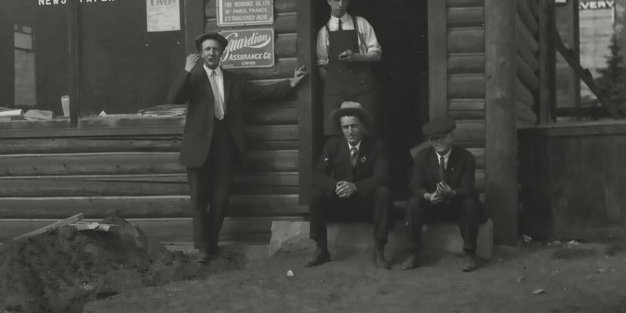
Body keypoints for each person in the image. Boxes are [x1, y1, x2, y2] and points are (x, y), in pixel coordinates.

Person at [169, 32, 307, 263]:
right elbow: (173, 97)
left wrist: (290, 84)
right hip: (198, 148)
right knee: (199, 200)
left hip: (226, 146)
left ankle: (211, 244)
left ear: (222, 52)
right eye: (207, 49)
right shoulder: (193, 79)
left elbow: (261, 93)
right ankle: (204, 248)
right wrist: (185, 69)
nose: (211, 53)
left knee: (221, 199)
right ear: (201, 54)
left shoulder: (234, 80)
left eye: (215, 49)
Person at [306, 101, 392, 269]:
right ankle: (321, 248)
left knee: (384, 193)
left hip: (365, 202)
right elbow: (318, 174)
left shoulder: (376, 145)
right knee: (315, 194)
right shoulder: (333, 145)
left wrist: (356, 187)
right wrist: (335, 185)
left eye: (354, 126)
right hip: (341, 202)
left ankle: (379, 250)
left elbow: (383, 176)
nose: (350, 131)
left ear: (363, 126)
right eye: (345, 127)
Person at [401, 116, 487, 272]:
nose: (437, 142)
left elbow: (467, 188)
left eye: (441, 137)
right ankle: (413, 253)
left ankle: (470, 254)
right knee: (412, 204)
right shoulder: (422, 157)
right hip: (432, 206)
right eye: (433, 139)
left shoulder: (466, 157)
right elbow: (415, 185)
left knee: (469, 203)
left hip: (456, 205)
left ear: (452, 137)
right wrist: (428, 196)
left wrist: (451, 192)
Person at [315, 0, 383, 136]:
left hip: (363, 88)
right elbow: (322, 67)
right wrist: (337, 86)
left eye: (344, 0)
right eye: (337, 0)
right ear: (328, 1)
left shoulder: (361, 24)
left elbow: (376, 54)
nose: (341, 4)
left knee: (366, 131)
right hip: (336, 92)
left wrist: (356, 57)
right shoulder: (323, 32)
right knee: (336, 134)